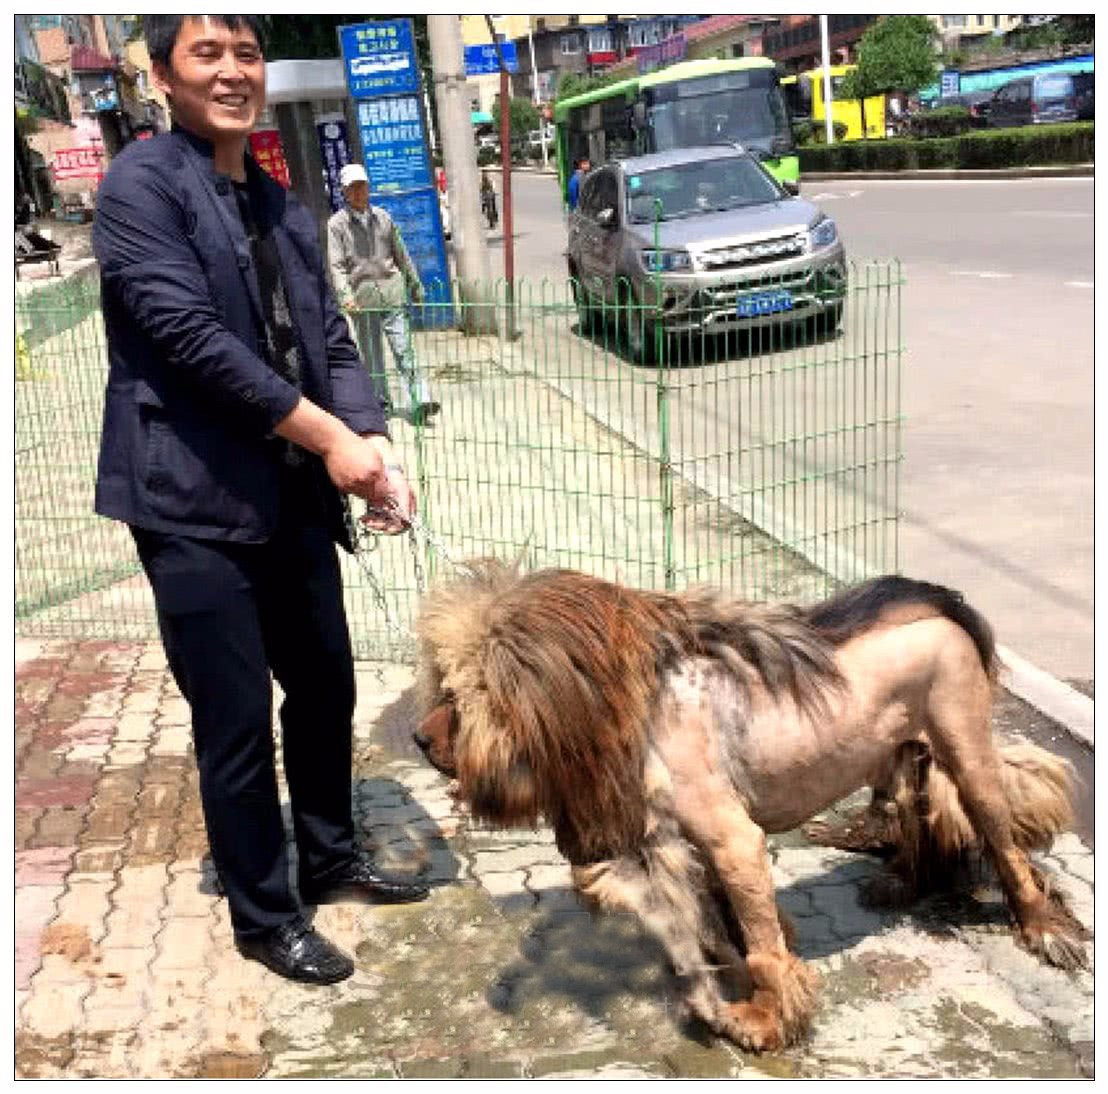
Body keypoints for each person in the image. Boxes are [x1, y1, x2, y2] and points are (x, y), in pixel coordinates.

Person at [91, 14, 429, 988]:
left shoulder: (281, 203)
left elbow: (329, 340)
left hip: (288, 501)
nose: (233, 71)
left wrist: (370, 443)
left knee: (325, 685)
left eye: (246, 53)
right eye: (208, 54)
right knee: (233, 718)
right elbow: (190, 340)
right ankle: (263, 912)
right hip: (192, 504)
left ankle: (330, 855)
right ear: (163, 76)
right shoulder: (139, 190)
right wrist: (327, 437)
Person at [327, 164, 439, 427]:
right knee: (373, 355)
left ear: (368, 187)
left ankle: (419, 400)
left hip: (391, 292)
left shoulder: (383, 218)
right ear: (344, 191)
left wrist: (415, 286)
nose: (358, 192)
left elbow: (401, 254)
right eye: (352, 187)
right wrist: (346, 296)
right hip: (362, 300)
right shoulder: (336, 225)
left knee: (404, 349)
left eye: (362, 186)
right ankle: (381, 404)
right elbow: (337, 265)